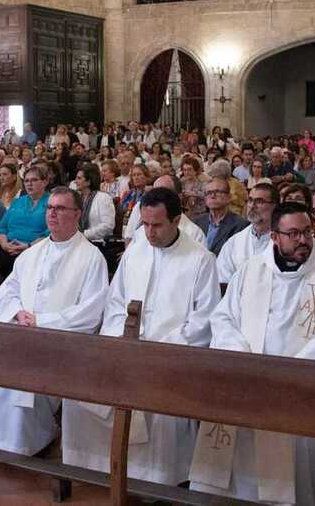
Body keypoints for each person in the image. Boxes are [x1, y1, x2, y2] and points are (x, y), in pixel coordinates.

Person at [190, 202, 315, 504]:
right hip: (246, 380)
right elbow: (223, 317)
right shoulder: (252, 270)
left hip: (299, 388)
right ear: (275, 237)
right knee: (239, 469)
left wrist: (297, 368)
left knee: (294, 472)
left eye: (307, 232)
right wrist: (241, 355)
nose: (304, 240)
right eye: (294, 234)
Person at [62, 187, 221, 486]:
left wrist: (159, 352)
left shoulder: (201, 259)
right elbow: (115, 301)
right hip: (124, 347)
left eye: (157, 225)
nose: (149, 232)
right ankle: (93, 466)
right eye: (145, 224)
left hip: (169, 357)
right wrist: (118, 342)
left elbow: (205, 321)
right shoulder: (136, 251)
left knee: (158, 405)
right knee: (77, 393)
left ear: (177, 220)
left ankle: (158, 478)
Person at [0, 187, 109, 455]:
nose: (53, 213)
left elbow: (91, 313)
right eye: (50, 208)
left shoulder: (91, 257)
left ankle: (25, 442)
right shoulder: (32, 253)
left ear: (76, 214)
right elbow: (8, 291)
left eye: (60, 208)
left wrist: (42, 321)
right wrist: (17, 312)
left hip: (59, 344)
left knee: (22, 369)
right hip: (20, 332)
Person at [216, 183, 279, 286]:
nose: (252, 206)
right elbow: (222, 278)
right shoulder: (235, 242)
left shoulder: (285, 240)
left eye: (259, 201)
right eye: (250, 200)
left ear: (275, 206)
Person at [0, 166, 51, 275]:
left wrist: (28, 246)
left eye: (34, 180)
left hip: (37, 251)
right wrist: (5, 244)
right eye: (26, 181)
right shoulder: (17, 202)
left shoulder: (52, 202)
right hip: (9, 250)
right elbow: (1, 228)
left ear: (45, 182)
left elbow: (50, 233)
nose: (29, 184)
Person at [125, 174, 206, 246]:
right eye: (155, 193)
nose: (157, 199)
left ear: (179, 197)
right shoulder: (141, 232)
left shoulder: (194, 234)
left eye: (164, 194)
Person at [193, 177, 249, 257]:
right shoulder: (197, 222)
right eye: (209, 192)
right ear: (205, 199)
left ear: (229, 197)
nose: (212, 195)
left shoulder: (241, 225)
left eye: (217, 191)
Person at [75, 164, 115, 242]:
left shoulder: (103, 198)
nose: (75, 181)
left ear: (88, 182)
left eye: (79, 178)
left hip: (97, 243)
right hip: (78, 241)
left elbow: (108, 226)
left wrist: (84, 234)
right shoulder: (77, 199)